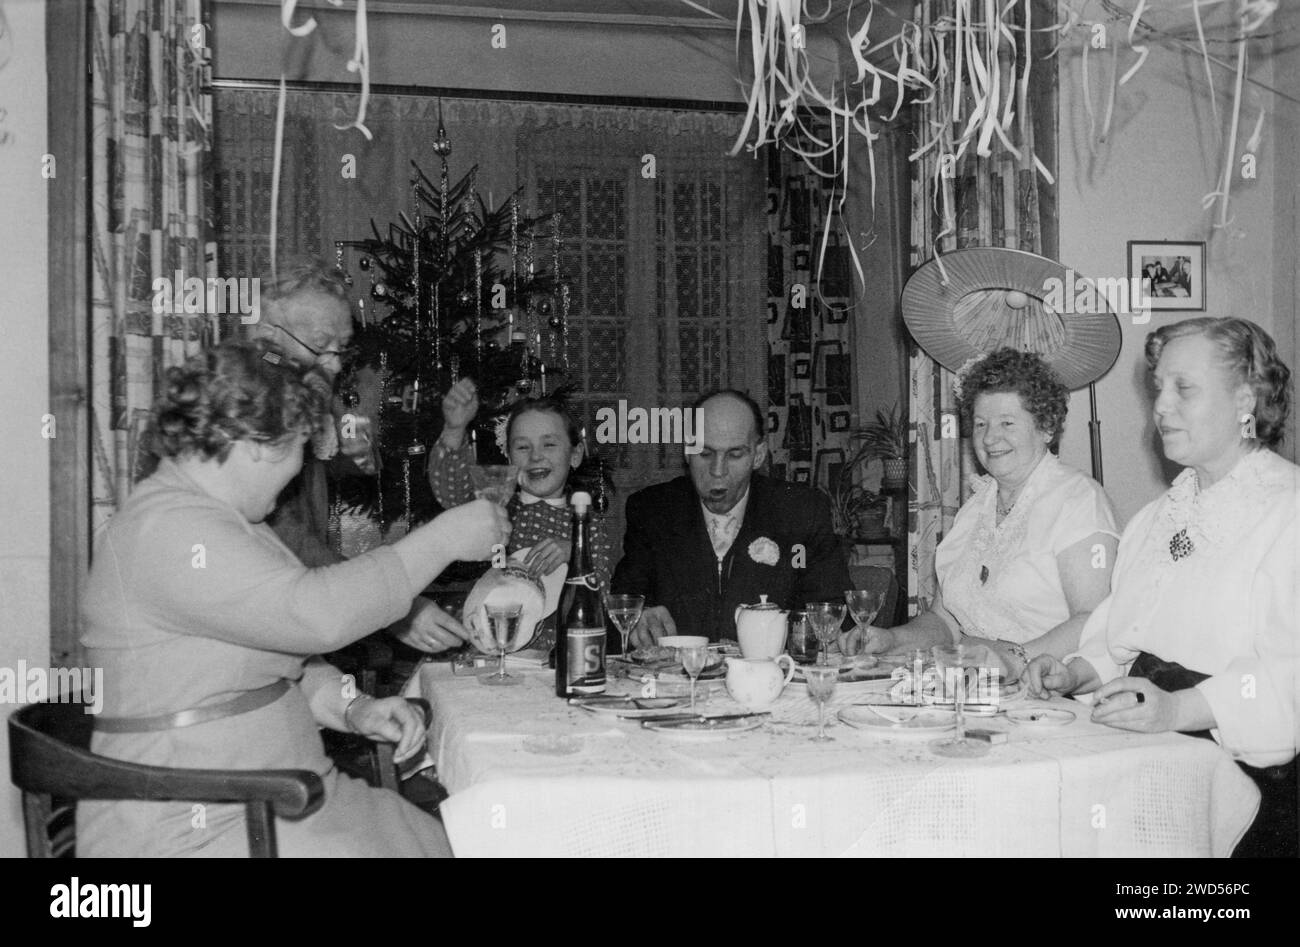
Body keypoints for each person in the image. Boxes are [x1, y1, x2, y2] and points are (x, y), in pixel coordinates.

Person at [78, 340, 511, 856]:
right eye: (300, 448)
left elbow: (272, 662)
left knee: (438, 839)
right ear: (259, 442)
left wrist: (355, 709)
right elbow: (317, 615)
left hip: (275, 798)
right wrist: (441, 539)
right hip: (203, 820)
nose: (297, 474)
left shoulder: (215, 517)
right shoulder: (167, 530)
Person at [1027, 317, 1298, 857]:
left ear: (1246, 398)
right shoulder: (1158, 517)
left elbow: (1286, 677)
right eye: (1158, 388)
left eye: (1184, 388)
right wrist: (1073, 672)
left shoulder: (1287, 511)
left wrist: (1177, 711)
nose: (1160, 407)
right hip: (1151, 754)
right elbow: (1123, 636)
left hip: (1248, 784)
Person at [841, 349, 1119, 680]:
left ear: (1046, 427)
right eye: (981, 423)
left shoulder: (1078, 500)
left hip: (1052, 692)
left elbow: (1095, 617)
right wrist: (891, 639)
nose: (989, 438)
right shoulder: (976, 507)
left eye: (1007, 423)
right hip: (975, 689)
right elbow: (945, 622)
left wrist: (1016, 658)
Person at [250, 258, 467, 653]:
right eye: (319, 344)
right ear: (266, 336)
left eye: (341, 349)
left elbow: (357, 462)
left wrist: (354, 449)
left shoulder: (299, 386)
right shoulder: (252, 410)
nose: (333, 365)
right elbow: (288, 542)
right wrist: (394, 603)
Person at [612, 389, 850, 644]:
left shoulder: (801, 512)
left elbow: (832, 611)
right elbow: (623, 606)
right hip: (677, 678)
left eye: (735, 455)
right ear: (687, 451)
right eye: (705, 453)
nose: (717, 471)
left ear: (758, 455)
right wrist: (640, 618)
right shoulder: (653, 511)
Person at [430, 381, 614, 590]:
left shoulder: (587, 524)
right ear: (509, 456)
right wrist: (454, 430)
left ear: (575, 454)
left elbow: (603, 592)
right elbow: (452, 491)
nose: (535, 456)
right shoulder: (494, 510)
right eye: (523, 447)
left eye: (549, 444)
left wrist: (577, 556)